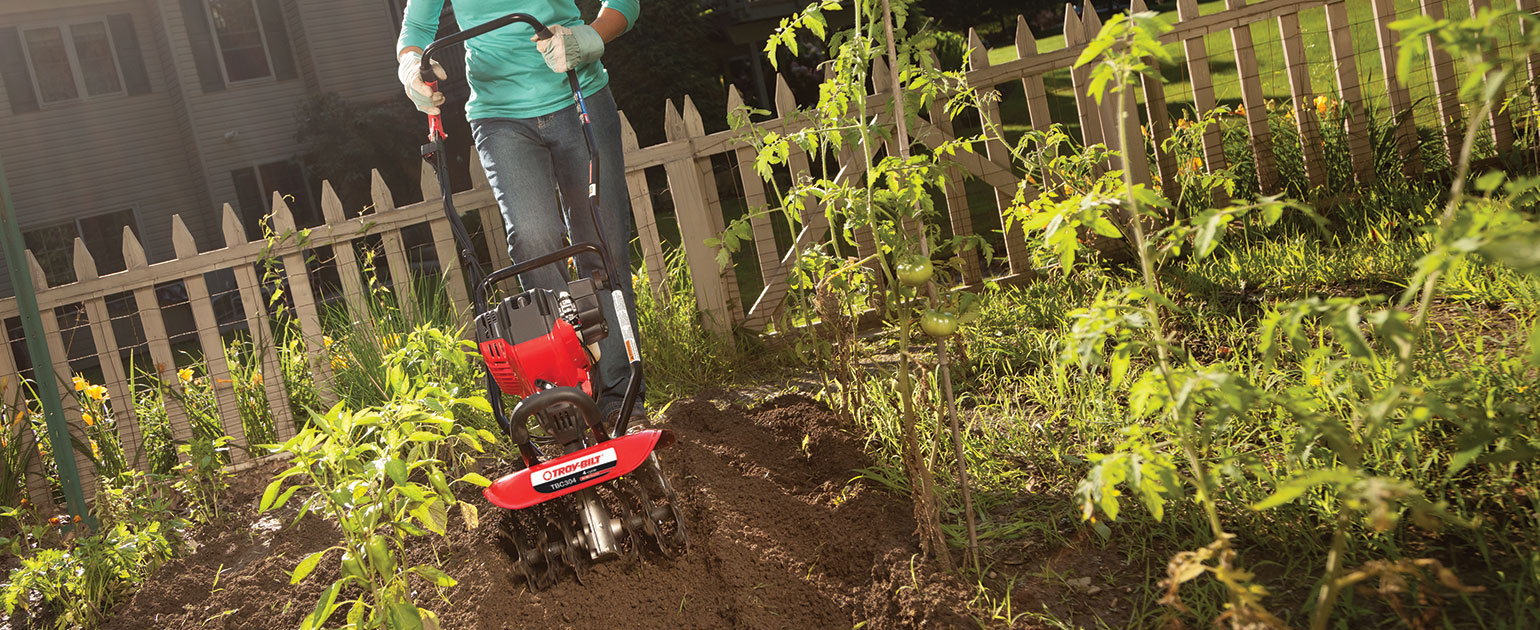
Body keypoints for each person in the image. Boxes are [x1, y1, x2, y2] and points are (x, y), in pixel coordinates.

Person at [395, 0, 645, 425]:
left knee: (603, 244)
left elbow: (625, 4)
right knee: (532, 238)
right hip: (500, 117)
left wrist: (591, 36)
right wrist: (411, 67)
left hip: (578, 92)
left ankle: (622, 397)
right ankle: (570, 386)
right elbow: (416, 27)